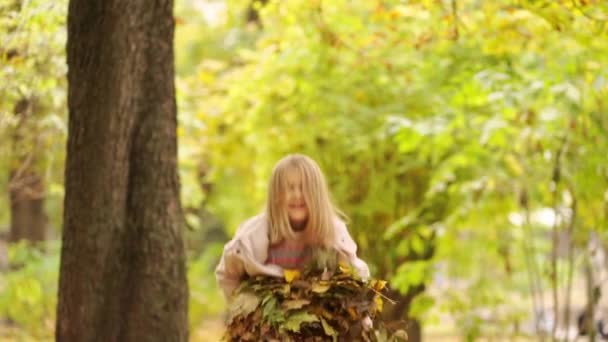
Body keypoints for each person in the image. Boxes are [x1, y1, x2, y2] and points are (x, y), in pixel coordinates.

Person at [215, 153, 370, 300]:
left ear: (316, 194)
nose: (297, 195)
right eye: (289, 188)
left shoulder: (333, 234)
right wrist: (242, 309)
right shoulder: (252, 237)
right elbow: (228, 274)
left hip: (319, 316)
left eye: (304, 188)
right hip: (269, 319)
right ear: (276, 195)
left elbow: (355, 276)